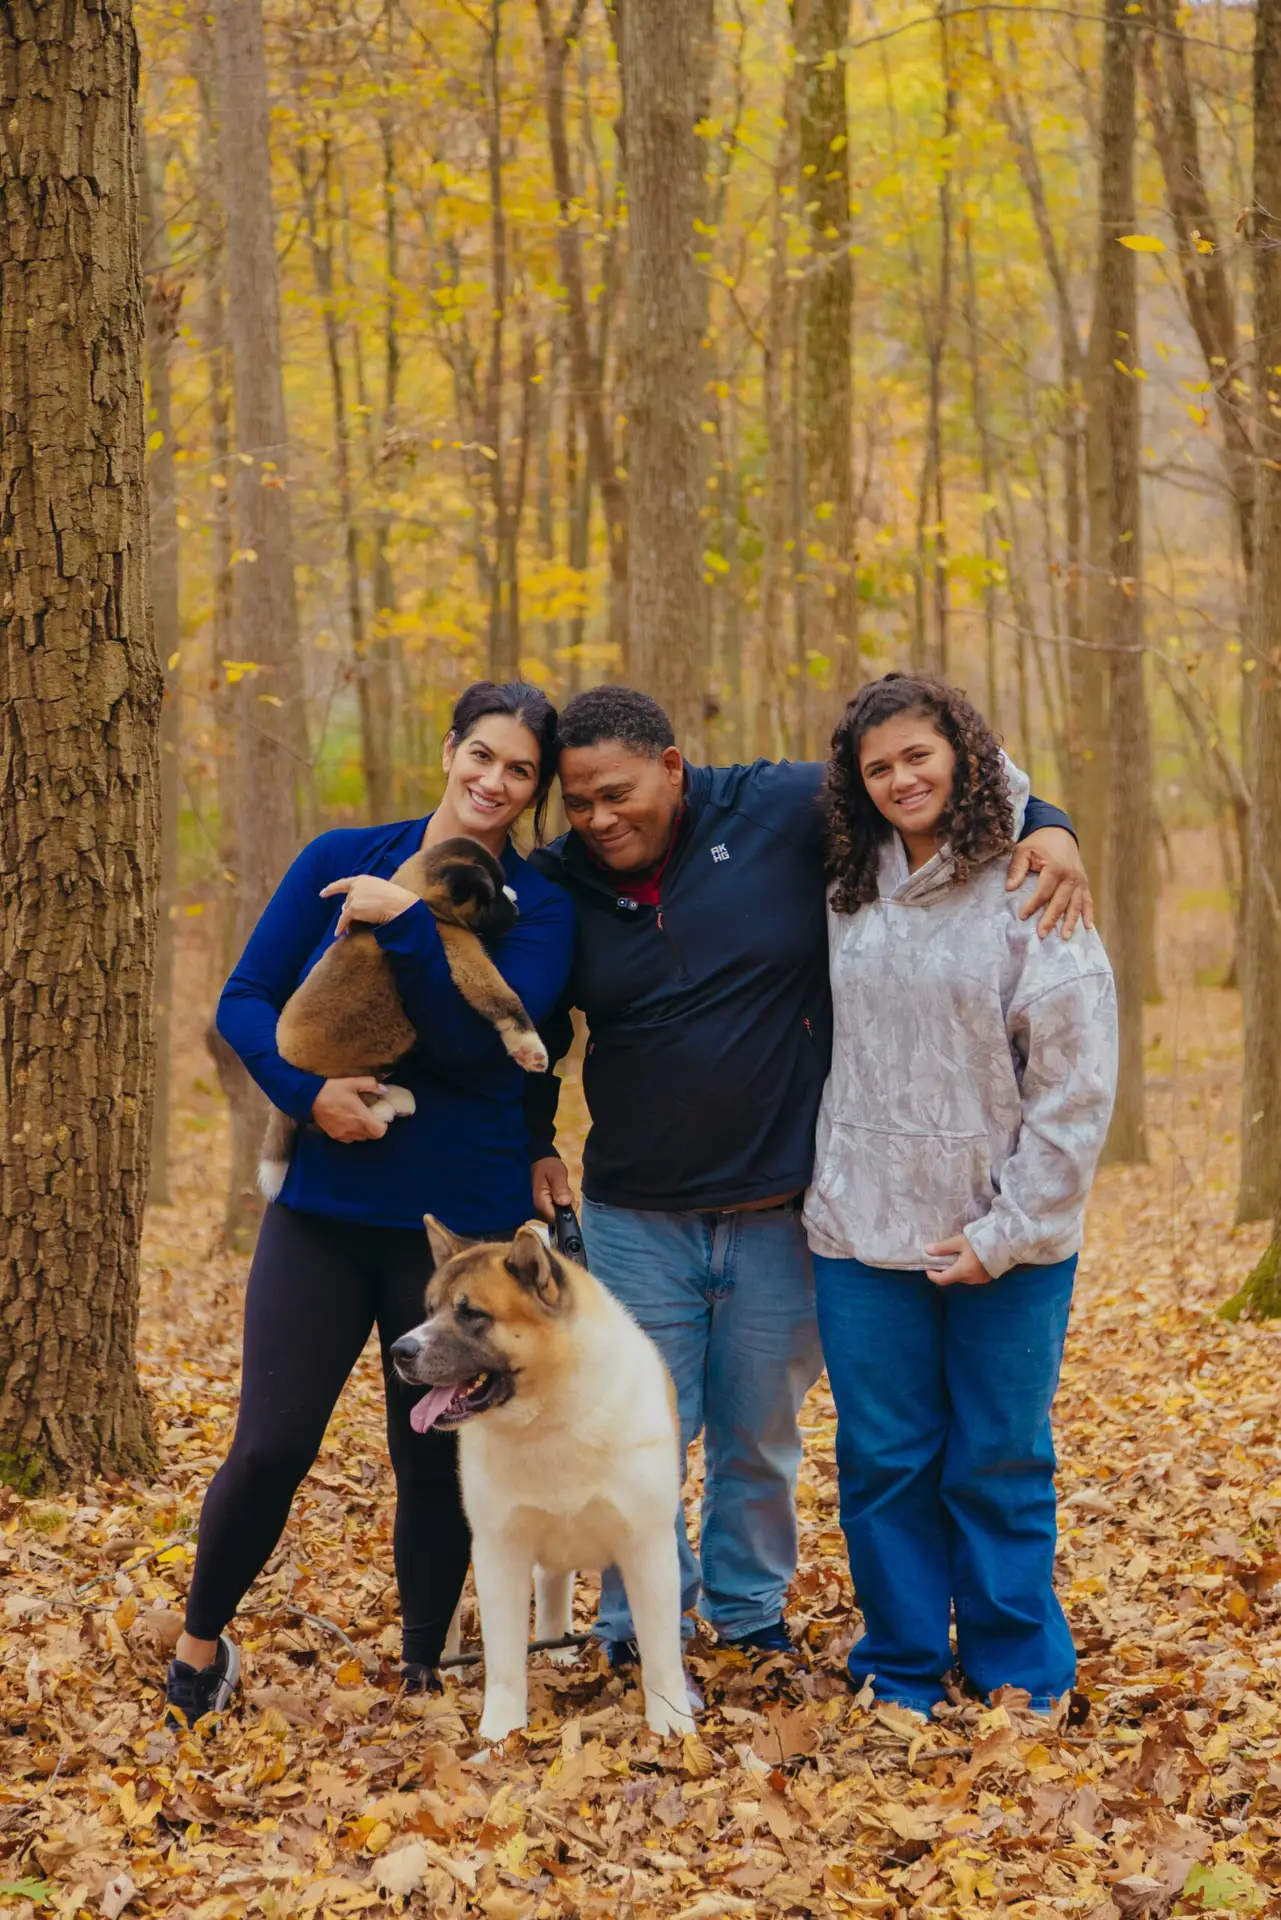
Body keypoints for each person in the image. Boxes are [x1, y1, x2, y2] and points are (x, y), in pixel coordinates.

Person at [526, 684, 1093, 1665]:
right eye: (577, 803)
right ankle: (637, 1628)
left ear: (672, 768)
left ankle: (749, 1618)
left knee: (760, 1442)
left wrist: (1056, 828)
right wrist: (531, 1133)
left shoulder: (779, 807)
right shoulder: (558, 882)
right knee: (636, 1434)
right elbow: (523, 1010)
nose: (598, 819)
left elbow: (932, 776)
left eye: (615, 794)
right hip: (644, 1216)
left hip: (777, 1212)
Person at [165, 681, 575, 1726]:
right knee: (268, 1445)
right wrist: (307, 1095)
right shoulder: (337, 857)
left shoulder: (540, 906)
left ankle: (426, 1672)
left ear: (537, 790)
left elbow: (472, 1040)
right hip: (324, 1210)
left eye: (519, 770)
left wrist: (400, 925)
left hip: (455, 1229)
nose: (494, 780)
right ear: (449, 750)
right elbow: (244, 999)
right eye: (481, 755)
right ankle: (198, 1651)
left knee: (431, 1451)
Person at [805, 673, 1117, 1715]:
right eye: (878, 764)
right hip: (860, 1231)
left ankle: (1019, 1675)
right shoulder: (847, 880)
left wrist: (1009, 1231)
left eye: (918, 756)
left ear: (963, 756)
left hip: (1006, 1242)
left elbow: (1075, 1089)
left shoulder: (1034, 882)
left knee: (999, 1460)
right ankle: (899, 1668)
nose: (900, 778)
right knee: (884, 1464)